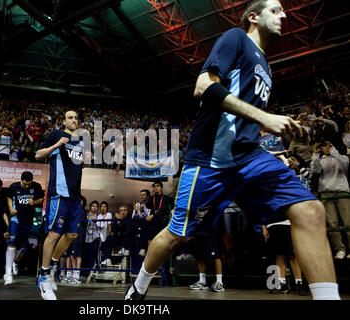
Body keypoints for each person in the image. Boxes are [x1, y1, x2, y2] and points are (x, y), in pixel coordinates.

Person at [125, 0, 339, 300]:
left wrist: (277, 125)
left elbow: (243, 116)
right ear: (253, 16)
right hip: (211, 159)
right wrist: (265, 117)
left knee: (311, 210)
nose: (285, 15)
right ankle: (139, 286)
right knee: (178, 235)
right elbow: (203, 86)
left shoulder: (265, 66)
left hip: (250, 156)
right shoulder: (236, 38)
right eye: (275, 10)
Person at [35, 110, 87, 300]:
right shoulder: (57, 135)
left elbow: (77, 165)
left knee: (72, 235)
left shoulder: (81, 140)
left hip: (75, 196)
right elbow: (38, 155)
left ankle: (53, 264)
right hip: (59, 193)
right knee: (54, 234)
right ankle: (43, 278)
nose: (74, 120)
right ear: (64, 121)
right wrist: (56, 145)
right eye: (70, 117)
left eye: (76, 118)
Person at [310, 141, 350, 260]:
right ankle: (340, 249)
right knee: (332, 223)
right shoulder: (321, 160)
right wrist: (316, 155)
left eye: (328, 145)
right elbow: (315, 171)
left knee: (348, 222)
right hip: (326, 192)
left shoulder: (341, 157)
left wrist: (333, 151)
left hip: (342, 190)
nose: (326, 148)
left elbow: (344, 166)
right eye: (324, 146)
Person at [4, 171, 44, 285]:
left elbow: (42, 199)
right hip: (16, 219)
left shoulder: (36, 186)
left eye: (29, 184)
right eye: (25, 184)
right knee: (11, 242)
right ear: (21, 180)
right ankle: (8, 273)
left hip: (28, 220)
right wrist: (11, 208)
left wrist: (34, 201)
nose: (27, 186)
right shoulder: (14, 186)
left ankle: (13, 262)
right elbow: (8, 197)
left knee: (20, 246)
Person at [146, 181, 171, 246]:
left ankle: (152, 242)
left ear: (161, 188)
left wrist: (153, 215)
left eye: (158, 186)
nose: (156, 188)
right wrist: (151, 195)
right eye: (154, 186)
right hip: (153, 219)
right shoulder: (153, 197)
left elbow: (163, 210)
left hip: (162, 218)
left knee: (155, 222)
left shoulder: (166, 198)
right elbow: (148, 206)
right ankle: (144, 246)